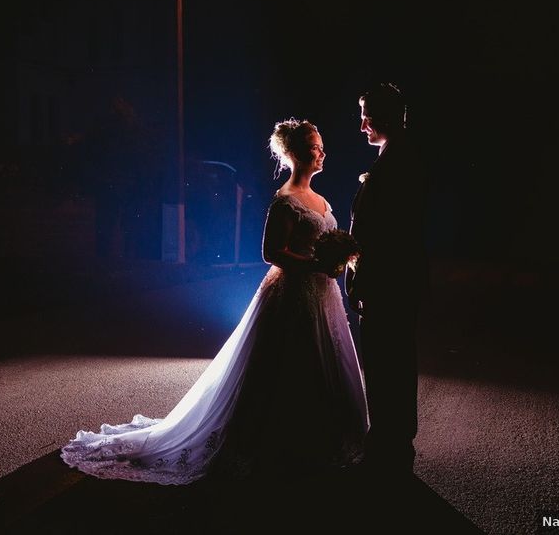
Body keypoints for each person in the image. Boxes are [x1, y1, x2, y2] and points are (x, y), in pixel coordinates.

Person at [61, 118, 368, 484]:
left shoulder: (321, 200)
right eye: (315, 146)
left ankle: (321, 438)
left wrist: (337, 258)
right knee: (285, 365)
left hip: (322, 295)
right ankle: (281, 442)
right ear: (296, 153)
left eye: (321, 146)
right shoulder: (284, 201)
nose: (322, 152)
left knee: (322, 362)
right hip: (294, 294)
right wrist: (316, 263)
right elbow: (272, 253)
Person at [345, 82, 428, 473]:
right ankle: (394, 442)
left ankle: (388, 446)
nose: (362, 125)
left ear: (382, 117)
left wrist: (360, 280)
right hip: (396, 283)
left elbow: (386, 234)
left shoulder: (398, 161)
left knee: (384, 364)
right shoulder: (399, 155)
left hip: (387, 285)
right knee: (392, 362)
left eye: (366, 116)